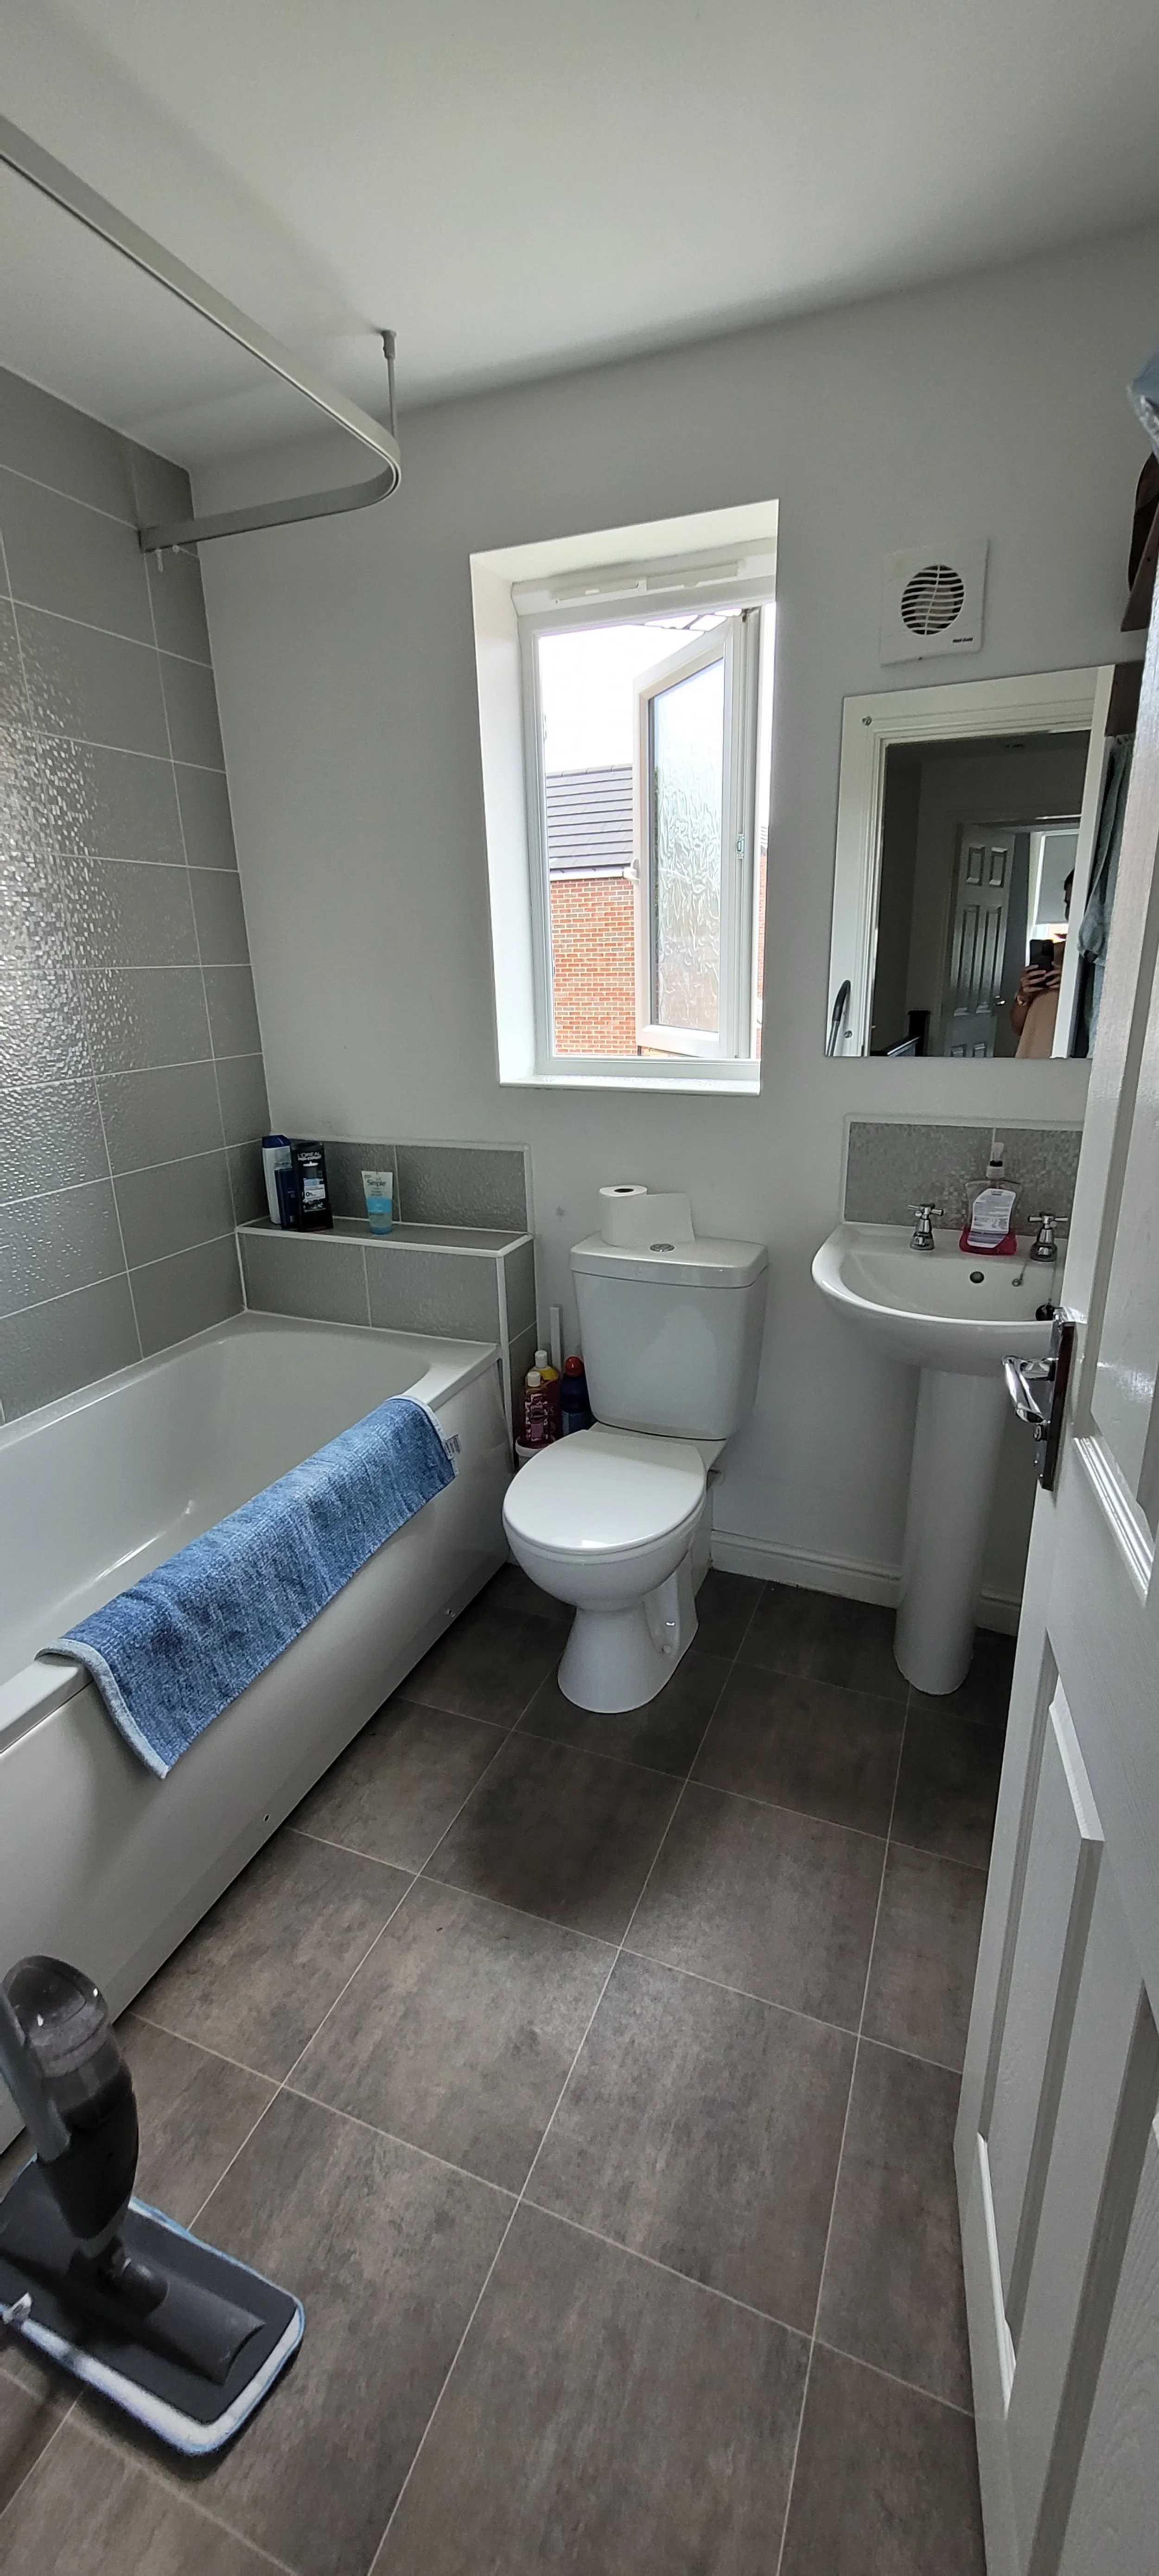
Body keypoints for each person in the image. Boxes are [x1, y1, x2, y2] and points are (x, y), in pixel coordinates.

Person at [1011, 870, 1072, 1058]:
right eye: (1068, 904)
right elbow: (1018, 1027)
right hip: (1033, 1058)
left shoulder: (1102, 963)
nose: (1071, 912)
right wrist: (1024, 995)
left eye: (1077, 904)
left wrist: (1074, 987)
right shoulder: (1055, 954)